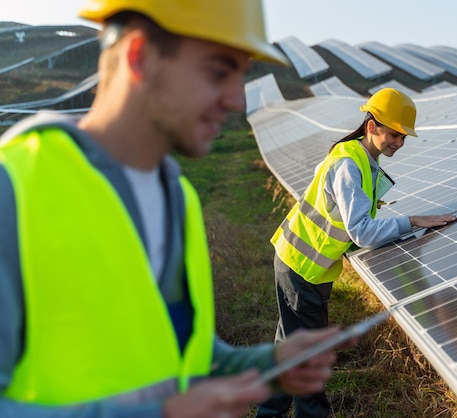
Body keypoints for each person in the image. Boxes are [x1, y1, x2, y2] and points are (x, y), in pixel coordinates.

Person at [0, 0, 345, 417]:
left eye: (242, 74)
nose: (237, 100)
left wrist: (269, 365)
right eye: (218, 72)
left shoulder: (178, 197)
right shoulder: (16, 187)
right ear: (139, 55)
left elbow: (180, 353)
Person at [255, 88, 457, 418]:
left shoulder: (361, 159)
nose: (399, 143)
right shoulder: (350, 166)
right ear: (372, 126)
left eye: (403, 137)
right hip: (302, 270)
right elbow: (362, 231)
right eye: (394, 134)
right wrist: (413, 222)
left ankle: (269, 412)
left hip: (303, 265)